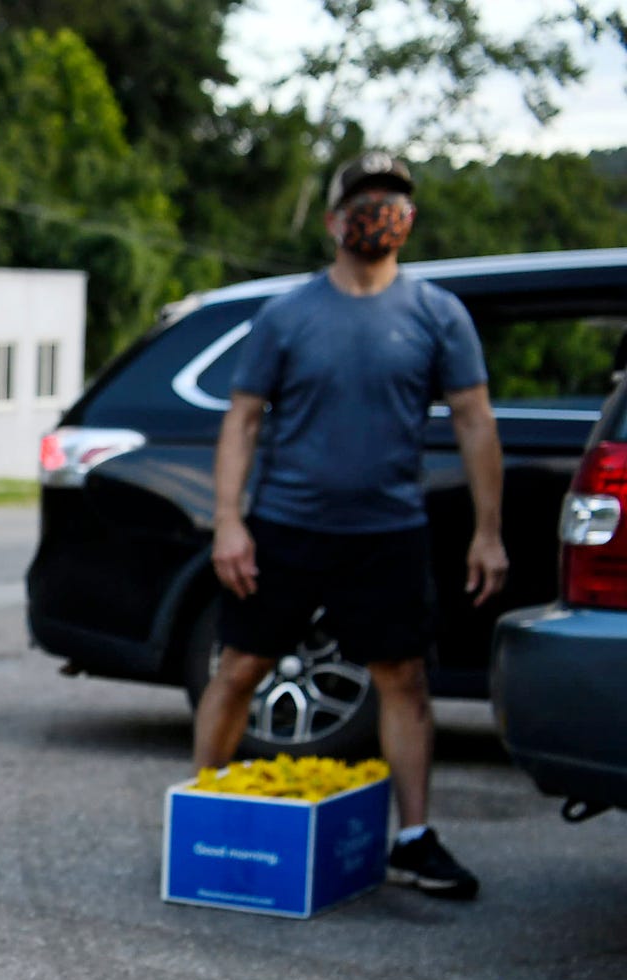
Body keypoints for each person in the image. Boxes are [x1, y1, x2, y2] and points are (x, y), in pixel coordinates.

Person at [197, 149, 507, 900]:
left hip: (388, 532)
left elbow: (474, 420)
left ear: (409, 219)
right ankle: (205, 815)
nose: (381, 211)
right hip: (286, 525)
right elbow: (242, 421)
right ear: (335, 218)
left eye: (394, 199)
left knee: (404, 679)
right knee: (240, 667)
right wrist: (229, 522)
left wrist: (488, 529)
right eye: (367, 198)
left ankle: (414, 838)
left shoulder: (438, 315)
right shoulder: (288, 315)